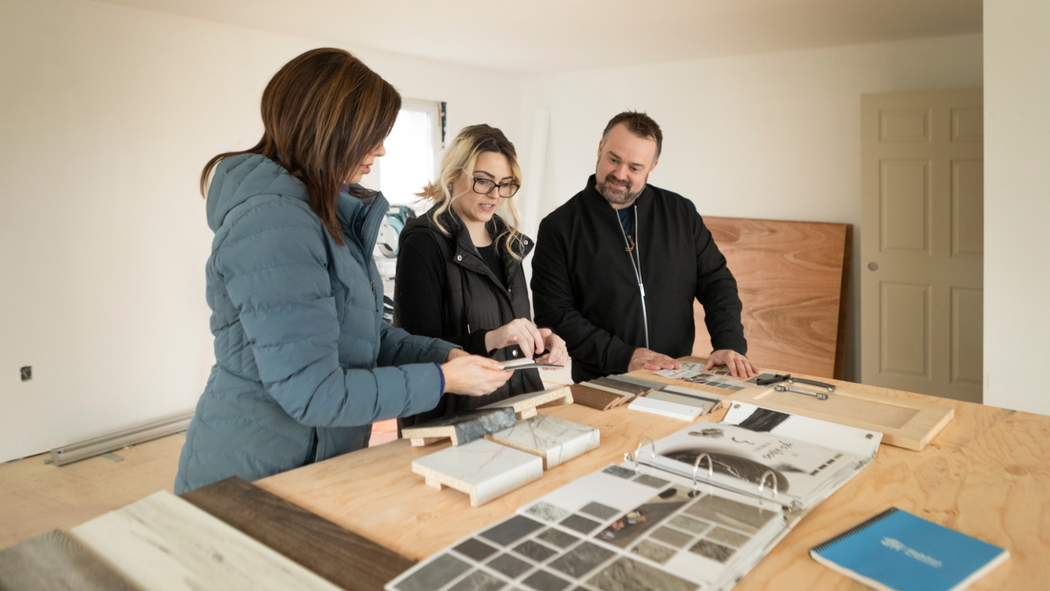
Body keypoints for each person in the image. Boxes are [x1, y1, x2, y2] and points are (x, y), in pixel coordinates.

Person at [175, 49, 510, 493]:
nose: (381, 149)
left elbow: (362, 332)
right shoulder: (274, 224)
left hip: (313, 462)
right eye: (372, 135)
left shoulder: (323, 212)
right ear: (330, 130)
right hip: (252, 475)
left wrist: (443, 355)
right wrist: (443, 380)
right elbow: (315, 392)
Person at [531, 111, 758, 382]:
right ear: (600, 149)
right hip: (603, 381)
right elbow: (555, 314)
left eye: (635, 167)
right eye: (613, 159)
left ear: (652, 166)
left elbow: (716, 280)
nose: (620, 174)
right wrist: (624, 356)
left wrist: (729, 341)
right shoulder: (559, 227)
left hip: (677, 374)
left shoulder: (680, 213)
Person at [394, 125, 567, 428]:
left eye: (504, 184)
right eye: (483, 181)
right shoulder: (423, 243)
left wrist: (540, 339)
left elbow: (509, 326)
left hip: (519, 407)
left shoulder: (508, 244)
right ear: (453, 175)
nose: (495, 195)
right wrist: (492, 339)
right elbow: (414, 349)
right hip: (451, 420)